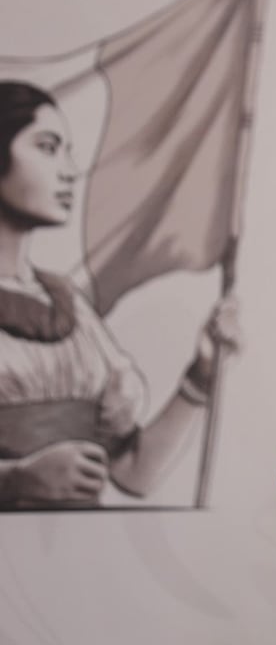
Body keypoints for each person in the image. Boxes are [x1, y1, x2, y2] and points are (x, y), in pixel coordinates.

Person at [0, 80, 238, 509]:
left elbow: (134, 474)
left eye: (67, 150)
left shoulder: (68, 304)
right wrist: (14, 479)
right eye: (48, 147)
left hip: (77, 561)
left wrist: (201, 375)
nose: (70, 169)